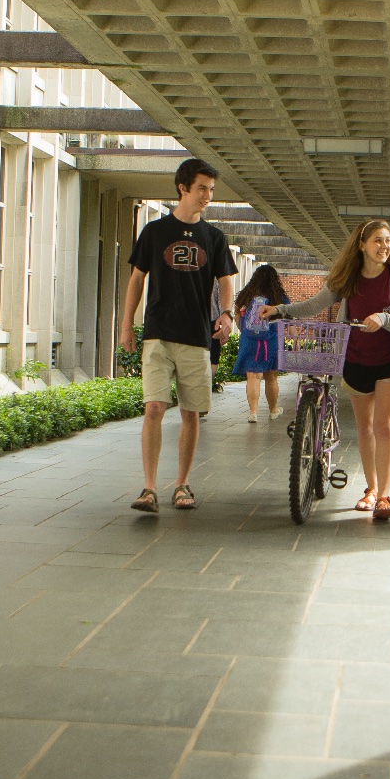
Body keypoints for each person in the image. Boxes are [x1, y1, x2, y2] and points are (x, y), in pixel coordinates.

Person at [267, 220, 390, 522]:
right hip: (355, 360)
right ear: (362, 245)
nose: (384, 247)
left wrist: (384, 319)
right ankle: (371, 490)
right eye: (377, 240)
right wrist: (281, 310)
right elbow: (315, 304)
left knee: (384, 427)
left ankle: (385, 497)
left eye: (388, 240)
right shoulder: (347, 279)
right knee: (364, 428)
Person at [119, 157, 237, 513]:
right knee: (154, 406)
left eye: (211, 190)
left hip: (196, 336)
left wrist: (227, 314)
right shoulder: (154, 232)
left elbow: (226, 280)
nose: (207, 196)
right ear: (182, 188)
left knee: (190, 412)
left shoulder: (214, 237)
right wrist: (127, 325)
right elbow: (137, 279)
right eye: (201, 188)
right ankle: (149, 488)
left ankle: (182, 484)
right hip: (158, 333)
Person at [231, 264, 290, 422]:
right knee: (271, 377)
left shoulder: (247, 295)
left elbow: (237, 317)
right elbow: (287, 318)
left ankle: (253, 413)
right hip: (271, 340)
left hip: (249, 341)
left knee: (253, 376)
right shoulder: (278, 296)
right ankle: (272, 411)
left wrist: (245, 330)